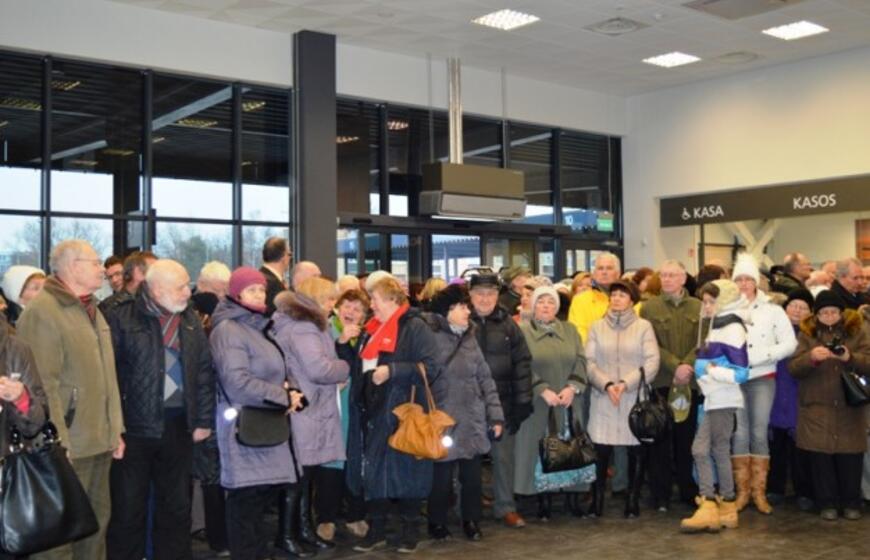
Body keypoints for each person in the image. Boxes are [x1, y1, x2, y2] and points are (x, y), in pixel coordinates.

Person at [17, 240, 125, 560]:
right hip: (66, 446)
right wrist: (57, 441)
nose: (102, 270)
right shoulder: (44, 312)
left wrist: (115, 429)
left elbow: (107, 377)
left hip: (99, 441)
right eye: (95, 263)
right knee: (57, 536)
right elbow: (42, 384)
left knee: (95, 529)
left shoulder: (92, 309)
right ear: (72, 266)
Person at [104, 259, 215, 560]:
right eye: (180, 287)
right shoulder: (121, 317)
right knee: (128, 510)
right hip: (133, 429)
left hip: (179, 426)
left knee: (176, 509)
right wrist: (113, 427)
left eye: (187, 285)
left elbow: (204, 372)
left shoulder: (190, 320)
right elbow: (108, 375)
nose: (187, 292)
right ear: (155, 289)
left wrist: (203, 420)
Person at [209, 267, 307, 559]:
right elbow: (236, 382)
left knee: (258, 502)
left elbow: (277, 369)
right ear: (236, 294)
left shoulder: (258, 326)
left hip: (265, 423)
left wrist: (292, 391)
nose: (259, 295)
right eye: (251, 289)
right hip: (245, 427)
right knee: (245, 502)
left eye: (262, 289)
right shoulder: (229, 330)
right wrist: (282, 396)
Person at [350, 277, 440, 555]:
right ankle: (376, 529)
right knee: (375, 473)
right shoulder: (371, 329)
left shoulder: (415, 327)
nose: (371, 305)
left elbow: (432, 366)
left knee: (408, 472)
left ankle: (410, 530)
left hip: (403, 411)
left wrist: (393, 371)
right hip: (374, 410)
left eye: (375, 299)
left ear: (391, 300)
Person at [273, 278, 350, 551]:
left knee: (305, 477)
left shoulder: (299, 325)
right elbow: (319, 369)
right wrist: (345, 366)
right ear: (316, 299)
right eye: (329, 299)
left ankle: (303, 530)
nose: (332, 305)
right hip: (308, 408)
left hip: (307, 407)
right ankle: (288, 536)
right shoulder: (305, 328)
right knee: (299, 478)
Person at [426, 284, 504, 542]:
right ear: (446, 311)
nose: (467, 311)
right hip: (443, 419)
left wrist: (495, 416)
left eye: (466, 306)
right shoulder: (430, 338)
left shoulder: (470, 338)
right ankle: (437, 522)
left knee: (472, 478)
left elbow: (485, 379)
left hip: (471, 419)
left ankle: (471, 520)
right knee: (441, 476)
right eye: (461, 306)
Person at [789, 289, 870, 521]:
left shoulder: (858, 331)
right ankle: (826, 503)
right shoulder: (807, 334)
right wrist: (811, 358)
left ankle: (851, 502)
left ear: (842, 313)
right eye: (824, 313)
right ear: (816, 315)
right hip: (817, 405)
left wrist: (849, 358)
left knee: (850, 457)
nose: (830, 316)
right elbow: (794, 368)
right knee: (820, 458)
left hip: (850, 405)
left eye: (834, 312)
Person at [586, 280, 660, 518]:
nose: (617, 298)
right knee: (600, 451)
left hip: (632, 397)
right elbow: (589, 362)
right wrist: (607, 384)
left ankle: (632, 500)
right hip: (604, 397)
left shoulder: (644, 327)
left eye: (622, 295)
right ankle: (597, 501)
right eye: (614, 294)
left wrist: (626, 383)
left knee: (635, 451)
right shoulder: (596, 327)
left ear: (632, 300)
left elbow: (652, 361)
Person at [730, 253, 797, 515]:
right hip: (733, 379)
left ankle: (759, 492)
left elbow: (789, 343)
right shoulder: (726, 310)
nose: (744, 284)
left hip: (763, 378)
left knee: (758, 433)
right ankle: (742, 492)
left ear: (757, 282)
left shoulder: (773, 310)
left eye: (748, 279)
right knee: (739, 433)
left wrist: (763, 356)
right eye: (739, 279)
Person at [680, 280, 748, 533]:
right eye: (705, 301)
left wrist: (710, 370)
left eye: (711, 302)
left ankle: (709, 502)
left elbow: (741, 372)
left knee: (701, 449)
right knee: (718, 450)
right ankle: (727, 505)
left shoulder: (731, 328)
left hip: (722, 397)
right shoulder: (718, 326)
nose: (705, 306)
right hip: (715, 398)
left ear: (724, 301)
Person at [514, 286, 587, 520]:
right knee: (540, 450)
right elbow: (520, 365)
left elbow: (581, 359)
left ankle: (573, 497)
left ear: (557, 306)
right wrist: (542, 389)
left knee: (572, 449)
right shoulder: (522, 331)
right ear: (533, 305)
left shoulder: (570, 330)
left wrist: (572, 387)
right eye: (541, 301)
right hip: (540, 404)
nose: (546, 306)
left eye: (550, 302)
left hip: (568, 401)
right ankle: (542, 500)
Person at [468, 273, 533, 529]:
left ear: (498, 296)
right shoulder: (460, 321)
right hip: (468, 404)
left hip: (503, 403)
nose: (485, 299)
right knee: (468, 460)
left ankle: (506, 506)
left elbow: (522, 363)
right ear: (471, 296)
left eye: (490, 294)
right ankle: (469, 507)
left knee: (504, 459)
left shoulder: (508, 325)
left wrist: (522, 402)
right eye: (480, 294)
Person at [639, 260, 702, 510]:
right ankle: (660, 493)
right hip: (662, 382)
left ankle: (688, 490)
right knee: (661, 440)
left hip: (689, 383)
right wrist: (675, 366)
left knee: (686, 440)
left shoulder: (699, 306)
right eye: (663, 275)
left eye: (672, 275)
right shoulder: (648, 308)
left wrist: (686, 366)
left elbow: (704, 341)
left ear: (683, 278)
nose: (666, 279)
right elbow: (650, 344)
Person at [322, 289, 370, 541]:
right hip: (332, 408)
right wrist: (341, 341)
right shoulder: (325, 331)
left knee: (355, 460)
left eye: (358, 309)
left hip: (357, 409)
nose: (351, 312)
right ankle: (326, 517)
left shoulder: (366, 337)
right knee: (331, 462)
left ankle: (355, 514)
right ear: (337, 308)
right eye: (347, 306)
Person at [767, 288, 815, 511]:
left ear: (810, 312)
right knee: (776, 445)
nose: (797, 310)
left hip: (801, 394)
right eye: (793, 305)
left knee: (801, 448)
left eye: (803, 307)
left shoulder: (812, 335)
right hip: (776, 393)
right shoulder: (773, 331)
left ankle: (804, 491)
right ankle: (774, 488)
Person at [568, 252, 621, 344]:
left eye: (609, 268)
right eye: (600, 268)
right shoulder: (580, 300)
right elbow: (578, 335)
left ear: (618, 273)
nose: (604, 272)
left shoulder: (631, 300)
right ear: (594, 274)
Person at [99, 250, 157, 315]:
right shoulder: (106, 307)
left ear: (128, 273)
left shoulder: (151, 298)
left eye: (118, 274)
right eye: (110, 277)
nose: (114, 280)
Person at [260, 237, 293, 315]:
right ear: (283, 257)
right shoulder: (272, 284)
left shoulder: (260, 277)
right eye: (289, 254)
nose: (290, 258)